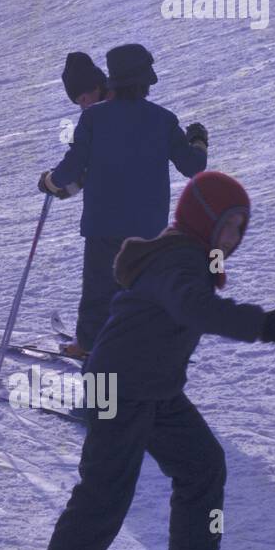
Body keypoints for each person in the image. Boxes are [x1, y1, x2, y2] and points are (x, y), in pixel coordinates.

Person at [27, 170, 275, 550]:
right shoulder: (178, 260)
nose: (236, 237)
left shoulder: (191, 256)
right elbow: (193, 308)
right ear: (203, 219)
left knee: (203, 465)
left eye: (243, 227)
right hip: (115, 387)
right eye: (229, 224)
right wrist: (261, 324)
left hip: (154, 387)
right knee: (103, 496)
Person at [38, 43, 208, 358]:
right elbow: (193, 167)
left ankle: (88, 344)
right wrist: (197, 141)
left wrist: (49, 181)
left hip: (104, 224)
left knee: (99, 289)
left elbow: (71, 169)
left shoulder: (94, 118)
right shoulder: (164, 119)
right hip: (148, 227)